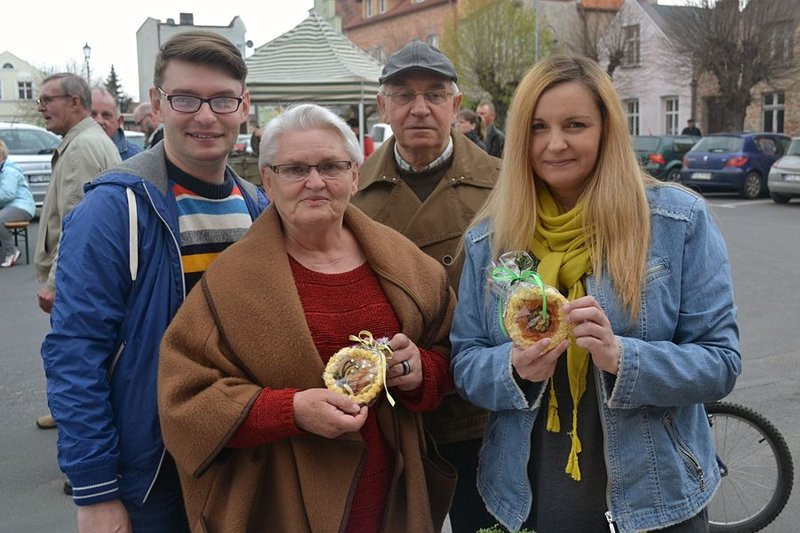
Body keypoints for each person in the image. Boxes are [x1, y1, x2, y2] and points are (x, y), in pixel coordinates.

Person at [450, 55, 741, 533]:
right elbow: (466, 364)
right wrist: (512, 369)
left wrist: (623, 358)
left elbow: (721, 362)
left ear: (607, 129)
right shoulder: (492, 239)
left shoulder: (675, 221)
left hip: (655, 497)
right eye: (538, 127)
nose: (555, 143)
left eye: (575, 124)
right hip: (525, 494)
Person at [158, 103, 456, 532]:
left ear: (354, 176)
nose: (315, 182)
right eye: (295, 169)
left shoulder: (405, 263)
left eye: (331, 166)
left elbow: (453, 355)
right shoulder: (230, 281)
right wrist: (292, 410)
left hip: (393, 496)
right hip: (283, 502)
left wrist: (419, 371)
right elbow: (184, 401)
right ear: (268, 180)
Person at [40, 30, 267, 533]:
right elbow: (76, 352)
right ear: (156, 104)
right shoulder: (113, 208)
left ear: (243, 106)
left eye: (223, 99)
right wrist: (95, 490)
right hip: (152, 477)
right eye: (185, 98)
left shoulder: (259, 208)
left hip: (242, 460)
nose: (206, 116)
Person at [352, 41, 500, 532]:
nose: (420, 108)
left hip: (479, 411)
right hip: (388, 414)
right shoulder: (352, 191)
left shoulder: (504, 185)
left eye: (434, 94)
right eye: (404, 94)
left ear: (456, 107)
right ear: (383, 106)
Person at [33, 72, 120, 429]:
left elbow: (73, 221)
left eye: (47, 99)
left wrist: (55, 283)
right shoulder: (83, 141)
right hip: (88, 275)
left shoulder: (82, 147)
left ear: (74, 102)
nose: (40, 107)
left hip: (80, 279)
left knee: (80, 365)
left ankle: (84, 449)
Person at [0, 140, 35, 267]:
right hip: (12, 205)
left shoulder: (9, 171)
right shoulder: (2, 169)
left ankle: (12, 251)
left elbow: (7, 194)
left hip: (22, 206)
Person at [91, 87, 142, 161]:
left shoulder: (137, 159)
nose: (99, 121)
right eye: (92, 114)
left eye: (106, 115)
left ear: (119, 121)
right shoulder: (73, 153)